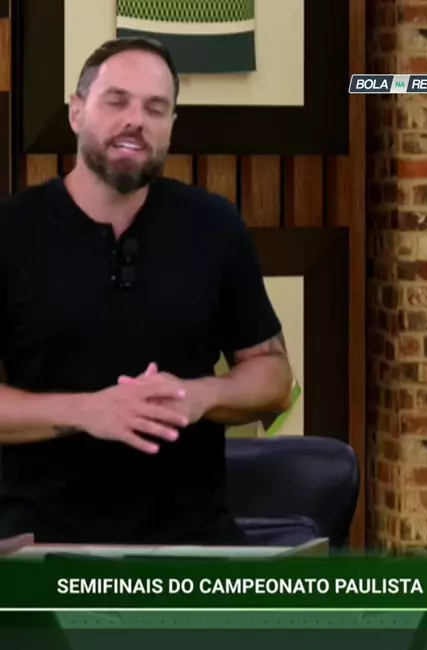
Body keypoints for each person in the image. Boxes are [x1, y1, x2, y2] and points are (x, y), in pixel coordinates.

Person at [0, 37, 293, 546]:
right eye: (117, 101)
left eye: (155, 109)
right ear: (76, 112)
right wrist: (87, 412)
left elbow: (274, 378)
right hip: (40, 540)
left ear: (171, 126)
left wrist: (200, 396)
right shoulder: (11, 230)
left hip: (193, 539)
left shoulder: (214, 225)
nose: (136, 120)